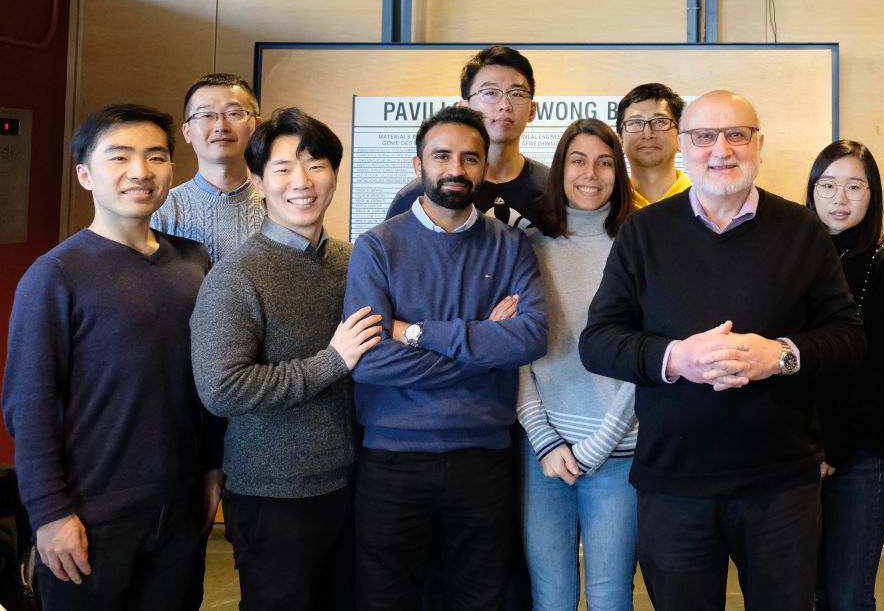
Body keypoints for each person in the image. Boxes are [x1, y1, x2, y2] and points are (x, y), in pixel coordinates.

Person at [579, 90, 866, 611]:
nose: (721, 149)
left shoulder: (802, 230)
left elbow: (848, 337)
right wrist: (677, 359)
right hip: (673, 487)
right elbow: (598, 342)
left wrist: (777, 356)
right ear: (683, 146)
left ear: (758, 145)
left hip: (781, 487)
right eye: (704, 136)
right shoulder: (645, 232)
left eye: (737, 134)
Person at [3, 104, 221, 611]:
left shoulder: (194, 262)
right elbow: (28, 406)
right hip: (90, 518)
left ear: (172, 169)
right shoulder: (54, 275)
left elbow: (205, 377)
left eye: (156, 157)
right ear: (85, 174)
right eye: (119, 157)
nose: (140, 172)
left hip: (179, 507)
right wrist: (49, 514)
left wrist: (212, 467)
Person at [345, 105, 549, 611]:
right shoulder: (377, 247)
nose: (455, 169)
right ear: (418, 165)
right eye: (442, 156)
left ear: (484, 167)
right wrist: (484, 347)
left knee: (479, 598)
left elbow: (529, 339)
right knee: (386, 599)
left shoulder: (511, 246)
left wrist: (414, 333)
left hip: (484, 460)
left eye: (469, 158)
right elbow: (368, 360)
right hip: (392, 459)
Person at [189, 108, 383, 611]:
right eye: (282, 168)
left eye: (316, 165)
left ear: (335, 175)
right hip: (273, 495)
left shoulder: (353, 259)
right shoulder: (236, 276)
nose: (302, 181)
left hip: (354, 482)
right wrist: (330, 361)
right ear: (257, 180)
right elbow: (222, 388)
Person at [516, 119, 639, 611]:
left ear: (619, 171)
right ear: (560, 167)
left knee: (611, 598)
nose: (592, 173)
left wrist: (599, 445)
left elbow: (646, 355)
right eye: (578, 160)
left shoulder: (639, 242)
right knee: (551, 599)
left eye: (605, 162)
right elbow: (518, 349)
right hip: (541, 451)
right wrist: (543, 437)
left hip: (618, 451)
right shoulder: (528, 241)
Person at [806, 140, 884, 611]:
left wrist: (834, 450)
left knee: (848, 596)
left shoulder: (883, 262)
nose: (839, 198)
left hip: (859, 456)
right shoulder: (798, 257)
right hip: (800, 456)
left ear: (873, 195)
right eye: (827, 185)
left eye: (854, 186)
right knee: (808, 593)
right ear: (811, 192)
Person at [384, 45, 549, 226]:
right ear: (463, 107)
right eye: (490, 93)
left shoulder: (552, 188)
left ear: (532, 110)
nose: (505, 105)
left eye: (517, 94)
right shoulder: (419, 195)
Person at [152, 72, 265, 264]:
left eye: (234, 113)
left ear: (257, 126)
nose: (221, 125)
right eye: (206, 115)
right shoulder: (160, 210)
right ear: (187, 132)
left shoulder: (280, 205)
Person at [615, 82, 692, 207]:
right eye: (635, 123)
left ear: (681, 139)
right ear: (620, 141)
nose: (647, 134)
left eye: (660, 122)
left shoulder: (704, 203)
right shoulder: (610, 207)